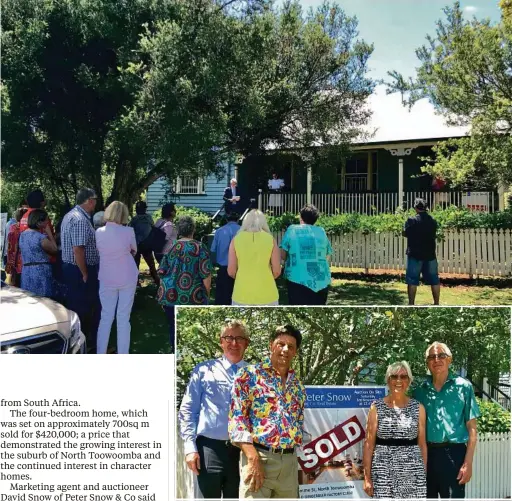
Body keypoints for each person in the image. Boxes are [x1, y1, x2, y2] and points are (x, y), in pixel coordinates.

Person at [229, 325, 306, 499]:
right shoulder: (249, 375)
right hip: (259, 458)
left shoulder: (298, 386)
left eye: (291, 347)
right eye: (281, 344)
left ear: (295, 352)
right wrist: (253, 458)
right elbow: (237, 420)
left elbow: (298, 423)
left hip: (289, 464)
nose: (285, 350)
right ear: (271, 345)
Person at [179, 320, 250, 498]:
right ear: (221, 341)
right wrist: (190, 448)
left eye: (239, 338)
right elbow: (188, 410)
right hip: (209, 449)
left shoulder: (255, 374)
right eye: (229, 338)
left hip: (244, 452)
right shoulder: (204, 370)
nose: (234, 343)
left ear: (246, 343)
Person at [413, 342, 480, 499]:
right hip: (425, 455)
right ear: (427, 363)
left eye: (441, 355)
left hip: (454, 455)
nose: (437, 359)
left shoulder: (463, 387)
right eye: (432, 357)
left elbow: (472, 429)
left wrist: (468, 463)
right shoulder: (419, 391)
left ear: (449, 359)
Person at [363, 361, 427, 499]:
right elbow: (368, 445)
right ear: (388, 380)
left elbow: (422, 445)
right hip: (383, 473)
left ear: (409, 381)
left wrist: (423, 473)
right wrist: (367, 478)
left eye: (403, 377)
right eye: (394, 376)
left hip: (413, 473)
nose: (399, 380)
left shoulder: (418, 408)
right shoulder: (376, 407)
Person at [157, 216, 212, 347]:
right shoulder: (200, 247)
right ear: (193, 229)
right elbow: (206, 275)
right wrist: (207, 295)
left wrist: (161, 293)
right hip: (193, 296)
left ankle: (174, 354)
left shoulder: (171, 247)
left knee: (173, 328)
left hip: (170, 295)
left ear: (179, 230)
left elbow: (162, 271)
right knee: (192, 330)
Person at [60, 188, 101, 353]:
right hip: (79, 269)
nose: (96, 203)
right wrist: (85, 273)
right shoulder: (79, 219)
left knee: (79, 305)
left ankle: (81, 342)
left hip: (75, 268)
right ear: (89, 200)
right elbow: (78, 249)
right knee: (82, 307)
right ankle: (82, 344)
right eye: (95, 200)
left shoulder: (73, 216)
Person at [95, 201, 138, 354]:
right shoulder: (129, 231)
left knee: (106, 317)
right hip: (127, 276)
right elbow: (134, 249)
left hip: (107, 277)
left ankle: (100, 352)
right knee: (123, 318)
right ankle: (123, 354)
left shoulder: (99, 232)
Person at [280, 204, 332, 305]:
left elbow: (283, 255)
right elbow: (327, 254)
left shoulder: (292, 229)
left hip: (297, 279)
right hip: (321, 281)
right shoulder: (321, 231)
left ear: (301, 217)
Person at [228, 209, 281, 305]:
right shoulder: (270, 239)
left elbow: (231, 271)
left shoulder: (235, 240)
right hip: (268, 293)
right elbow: (277, 270)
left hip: (241, 293)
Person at [403, 198, 440, 305]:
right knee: (434, 279)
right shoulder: (432, 221)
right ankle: (436, 303)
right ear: (426, 208)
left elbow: (405, 233)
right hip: (430, 254)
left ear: (415, 207)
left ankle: (411, 304)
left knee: (412, 280)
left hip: (415, 254)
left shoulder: (411, 220)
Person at [18, 209, 58, 297]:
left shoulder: (22, 235)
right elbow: (54, 249)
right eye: (46, 220)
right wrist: (49, 233)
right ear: (39, 222)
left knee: (29, 299)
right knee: (43, 300)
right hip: (40, 273)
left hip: (26, 271)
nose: (47, 222)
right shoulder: (40, 238)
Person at [211, 212, 240, 305]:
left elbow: (213, 249)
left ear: (226, 219)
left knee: (222, 295)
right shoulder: (242, 231)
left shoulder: (219, 231)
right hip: (239, 268)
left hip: (223, 268)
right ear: (238, 219)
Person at [129, 200, 159, 286]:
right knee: (151, 265)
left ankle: (136, 283)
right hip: (147, 245)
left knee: (136, 266)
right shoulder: (149, 218)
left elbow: (130, 230)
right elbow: (153, 227)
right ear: (145, 209)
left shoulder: (134, 219)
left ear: (136, 210)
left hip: (137, 245)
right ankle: (157, 282)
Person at [5, 207, 29, 287]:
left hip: (12, 262)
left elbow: (10, 249)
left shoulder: (12, 228)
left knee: (14, 285)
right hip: (23, 263)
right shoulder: (25, 229)